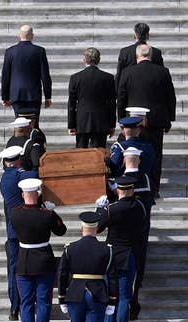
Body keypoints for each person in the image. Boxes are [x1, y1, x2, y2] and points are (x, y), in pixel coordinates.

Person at [57, 211, 117, 322]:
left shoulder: (70, 248)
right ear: (97, 229)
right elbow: (112, 277)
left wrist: (61, 298)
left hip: (75, 293)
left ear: (81, 228)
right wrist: (112, 300)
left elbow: (61, 274)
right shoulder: (107, 250)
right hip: (97, 294)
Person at [10, 178, 67, 322]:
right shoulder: (47, 215)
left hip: (24, 262)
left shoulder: (15, 213)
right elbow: (61, 230)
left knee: (26, 303)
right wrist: (52, 211)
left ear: (22, 194)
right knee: (43, 303)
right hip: (44, 262)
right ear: (39, 193)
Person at [96, 176, 147, 322]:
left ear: (118, 190)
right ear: (132, 190)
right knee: (125, 299)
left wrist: (100, 210)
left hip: (112, 257)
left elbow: (97, 227)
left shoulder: (112, 209)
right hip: (130, 255)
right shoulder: (139, 207)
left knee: (112, 298)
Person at [117, 44, 176, 196]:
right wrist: (170, 119)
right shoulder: (163, 72)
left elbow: (121, 99)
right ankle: (154, 189)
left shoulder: (127, 72)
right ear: (151, 56)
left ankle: (135, 186)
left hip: (134, 122)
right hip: (156, 121)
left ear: (137, 57)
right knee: (156, 155)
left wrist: (121, 122)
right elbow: (170, 97)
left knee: (133, 154)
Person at [0, 145, 38, 321]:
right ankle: (26, 303)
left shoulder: (4, 179)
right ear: (18, 160)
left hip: (12, 231)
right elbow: (36, 176)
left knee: (14, 269)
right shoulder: (21, 175)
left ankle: (14, 308)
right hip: (26, 230)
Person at [121, 148, 155, 321]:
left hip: (118, 238)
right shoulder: (145, 178)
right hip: (138, 234)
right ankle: (132, 306)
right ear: (139, 161)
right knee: (135, 273)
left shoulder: (118, 179)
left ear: (123, 160)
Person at [1, 24, 52, 128]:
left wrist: (5, 97)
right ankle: (34, 143)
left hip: (16, 95)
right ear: (32, 36)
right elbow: (45, 76)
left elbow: (5, 76)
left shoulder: (10, 52)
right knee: (34, 125)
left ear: (19, 35)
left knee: (19, 125)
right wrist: (48, 97)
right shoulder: (39, 51)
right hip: (34, 95)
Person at [67, 47, 116, 149]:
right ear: (98, 60)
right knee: (99, 156)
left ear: (84, 59)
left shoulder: (75, 78)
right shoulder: (108, 78)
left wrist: (71, 124)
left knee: (81, 155)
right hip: (101, 121)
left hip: (82, 121)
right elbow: (112, 104)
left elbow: (72, 104)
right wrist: (112, 125)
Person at [115, 22, 164, 89]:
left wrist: (118, 94)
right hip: (151, 92)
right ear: (148, 36)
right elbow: (162, 75)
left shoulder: (125, 52)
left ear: (134, 36)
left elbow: (119, 75)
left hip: (130, 92)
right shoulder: (156, 52)